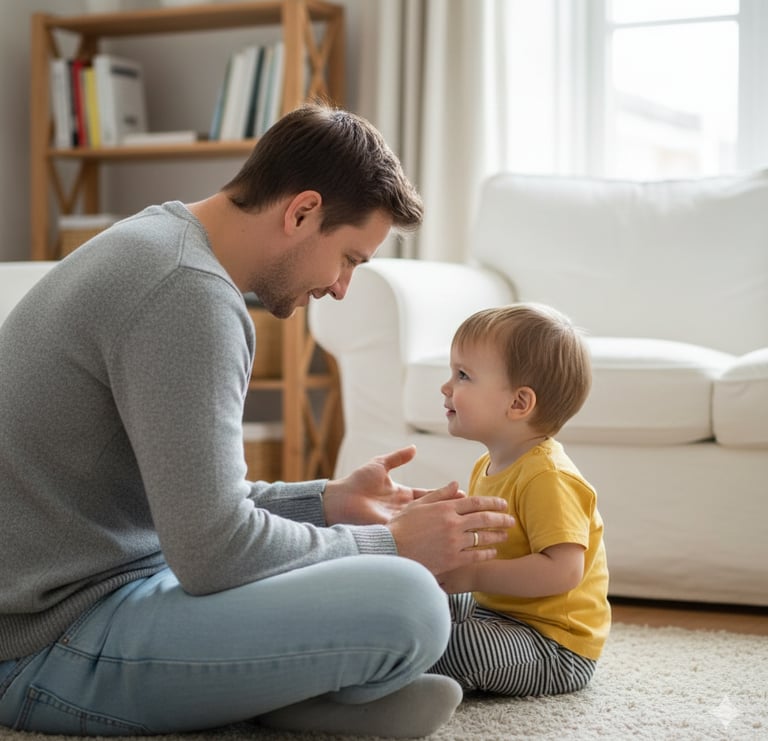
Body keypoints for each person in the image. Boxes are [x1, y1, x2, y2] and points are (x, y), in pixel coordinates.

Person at [0, 104, 516, 738]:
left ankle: (271, 698)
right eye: (349, 258)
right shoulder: (186, 294)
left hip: (117, 583)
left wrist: (328, 503)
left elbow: (195, 506)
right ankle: (284, 696)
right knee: (411, 604)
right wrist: (392, 543)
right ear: (302, 213)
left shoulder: (161, 244)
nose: (341, 287)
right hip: (44, 639)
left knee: (429, 588)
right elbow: (214, 552)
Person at [430, 303, 611, 696]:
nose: (446, 387)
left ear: (518, 404)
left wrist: (474, 576)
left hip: (553, 645)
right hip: (496, 613)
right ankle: (411, 661)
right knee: (418, 602)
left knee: (459, 646)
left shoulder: (549, 477)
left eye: (463, 375)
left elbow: (563, 572)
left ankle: (410, 679)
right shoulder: (487, 465)